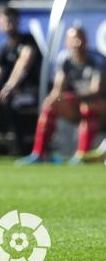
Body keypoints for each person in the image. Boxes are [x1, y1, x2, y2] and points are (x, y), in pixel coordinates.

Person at [20, 25, 105, 165]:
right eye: (74, 39)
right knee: (50, 105)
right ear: (67, 42)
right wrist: (55, 98)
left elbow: (97, 91)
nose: (77, 43)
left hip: (99, 106)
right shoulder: (65, 59)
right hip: (76, 103)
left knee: (88, 107)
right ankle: (39, 153)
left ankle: (82, 155)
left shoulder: (97, 60)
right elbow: (58, 89)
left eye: (80, 38)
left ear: (86, 41)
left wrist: (72, 98)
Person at [0, 6, 41, 155]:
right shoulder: (4, 48)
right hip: (13, 93)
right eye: (2, 21)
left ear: (17, 22)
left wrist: (10, 85)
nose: (6, 25)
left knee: (10, 100)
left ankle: (20, 148)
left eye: (10, 21)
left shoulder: (28, 41)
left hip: (33, 91)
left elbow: (23, 64)